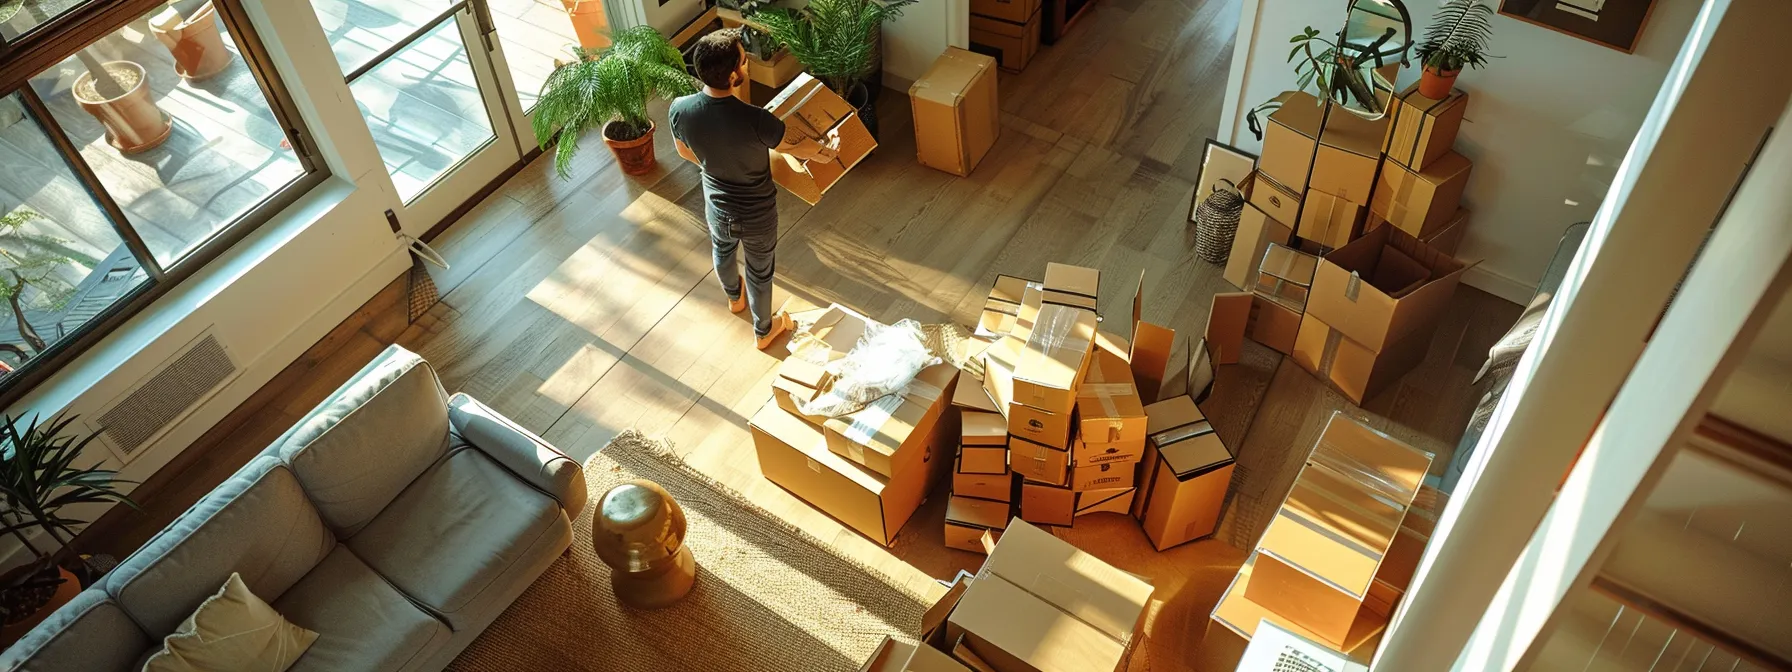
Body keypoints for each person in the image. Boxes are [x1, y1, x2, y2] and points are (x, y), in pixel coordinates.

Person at [669, 29, 838, 350]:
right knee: (761, 273)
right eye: (744, 62)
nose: (747, 66)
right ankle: (764, 331)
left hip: (717, 206)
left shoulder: (679, 108)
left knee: (722, 249)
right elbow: (796, 148)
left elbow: (682, 152)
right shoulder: (758, 120)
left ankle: (734, 298)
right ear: (734, 75)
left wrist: (712, 165)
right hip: (757, 214)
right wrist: (826, 150)